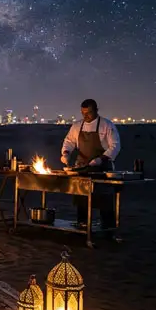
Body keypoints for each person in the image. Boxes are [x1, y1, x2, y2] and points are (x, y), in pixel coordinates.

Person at [60, 99, 121, 234]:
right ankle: (82, 227)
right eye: (83, 113)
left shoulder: (106, 125)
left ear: (96, 110)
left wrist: (101, 159)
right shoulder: (77, 126)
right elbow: (68, 142)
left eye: (88, 113)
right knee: (82, 199)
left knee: (104, 199)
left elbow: (115, 146)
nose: (85, 116)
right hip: (82, 169)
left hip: (102, 170)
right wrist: (66, 154)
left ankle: (108, 230)